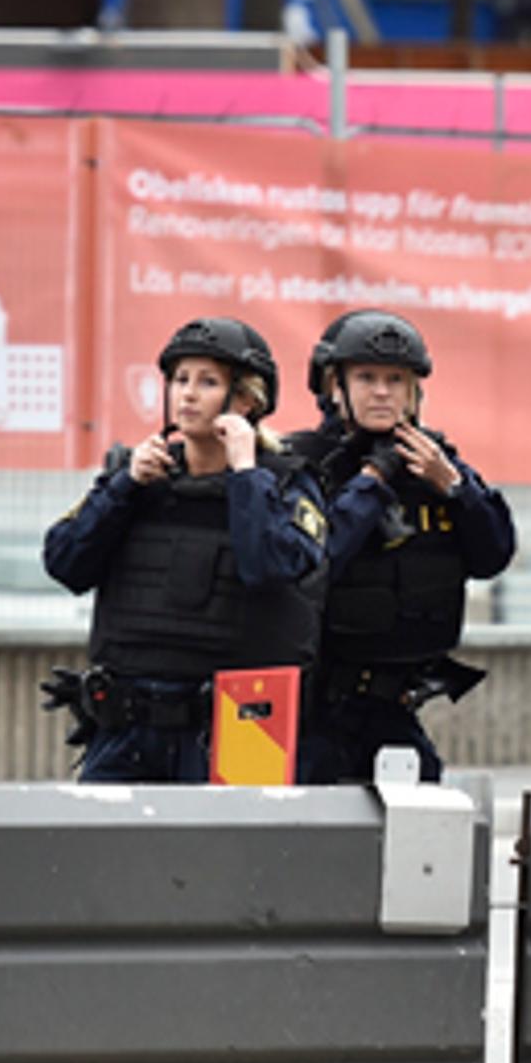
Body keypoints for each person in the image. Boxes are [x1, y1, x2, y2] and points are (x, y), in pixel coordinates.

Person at [42, 317, 329, 783]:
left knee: (232, 855)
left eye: (208, 382)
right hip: (127, 725)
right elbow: (64, 563)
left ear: (247, 400)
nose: (187, 394)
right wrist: (123, 487)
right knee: (103, 854)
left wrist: (244, 474)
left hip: (240, 723)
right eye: (180, 380)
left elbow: (270, 566)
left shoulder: (287, 484)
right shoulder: (135, 477)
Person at [285, 309, 516, 784]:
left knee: (422, 840)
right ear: (333, 386)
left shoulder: (434, 462)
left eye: (397, 379)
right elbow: (312, 562)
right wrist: (374, 480)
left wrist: (454, 487)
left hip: (394, 710)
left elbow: (494, 556)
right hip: (311, 714)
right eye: (366, 377)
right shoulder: (300, 464)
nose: (383, 391)